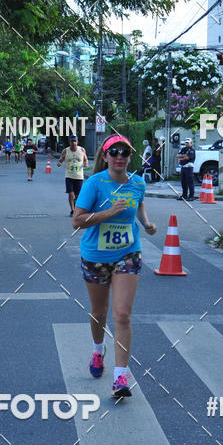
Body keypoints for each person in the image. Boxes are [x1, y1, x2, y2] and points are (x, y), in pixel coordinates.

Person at [72, 134, 157, 398]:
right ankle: (98, 352)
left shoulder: (138, 183)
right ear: (106, 156)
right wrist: (109, 212)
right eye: (114, 152)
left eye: (125, 152)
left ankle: (121, 377)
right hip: (95, 255)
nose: (119, 156)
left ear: (130, 156)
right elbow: (77, 221)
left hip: (128, 254)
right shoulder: (94, 184)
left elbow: (139, 204)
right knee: (100, 311)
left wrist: (146, 223)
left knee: (121, 315)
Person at [57, 134, 88, 215]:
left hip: (79, 176)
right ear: (69, 142)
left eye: (75, 141)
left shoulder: (82, 150)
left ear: (77, 142)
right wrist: (59, 163)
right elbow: (61, 159)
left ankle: (75, 204)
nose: (73, 143)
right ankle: (72, 210)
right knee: (71, 193)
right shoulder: (66, 151)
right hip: (69, 176)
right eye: (72, 141)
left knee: (78, 196)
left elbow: (86, 159)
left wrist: (86, 164)